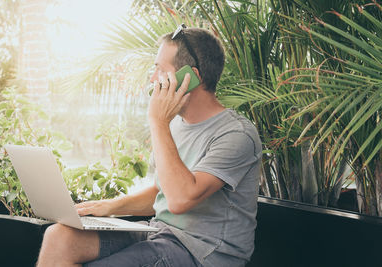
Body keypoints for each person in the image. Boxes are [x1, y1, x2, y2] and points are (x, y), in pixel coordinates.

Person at [37, 24, 262, 267]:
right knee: (60, 237)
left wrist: (157, 121)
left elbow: (179, 200)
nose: (152, 79)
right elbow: (162, 192)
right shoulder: (174, 125)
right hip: (159, 233)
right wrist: (108, 207)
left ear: (191, 77)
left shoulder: (236, 134)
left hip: (201, 252)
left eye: (159, 70)